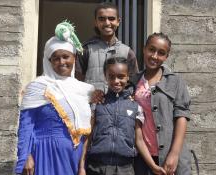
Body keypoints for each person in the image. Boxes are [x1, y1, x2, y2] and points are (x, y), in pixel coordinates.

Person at [15, 21, 94, 175]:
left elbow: (85, 132)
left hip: (72, 156)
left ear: (74, 58)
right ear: (49, 61)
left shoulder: (83, 89)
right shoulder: (37, 87)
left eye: (66, 57)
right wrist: (26, 156)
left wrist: (81, 165)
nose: (61, 62)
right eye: (56, 58)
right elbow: (26, 125)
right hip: (44, 153)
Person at [78, 57, 166, 175]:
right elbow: (87, 138)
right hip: (96, 167)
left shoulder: (135, 107)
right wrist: (82, 167)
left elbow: (139, 140)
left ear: (128, 76)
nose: (116, 81)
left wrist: (153, 166)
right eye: (111, 76)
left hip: (125, 169)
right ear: (105, 76)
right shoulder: (97, 104)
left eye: (121, 76)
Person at [132, 32, 192, 175]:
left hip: (169, 156)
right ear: (144, 49)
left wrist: (174, 154)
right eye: (151, 49)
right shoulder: (132, 83)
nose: (154, 56)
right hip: (143, 158)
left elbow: (181, 117)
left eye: (161, 53)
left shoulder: (175, 81)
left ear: (166, 57)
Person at [75, 2, 139, 92]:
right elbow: (77, 82)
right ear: (96, 22)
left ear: (118, 22)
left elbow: (134, 84)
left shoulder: (127, 52)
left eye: (111, 19)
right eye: (102, 19)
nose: (107, 23)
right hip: (91, 105)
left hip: (118, 105)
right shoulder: (85, 50)